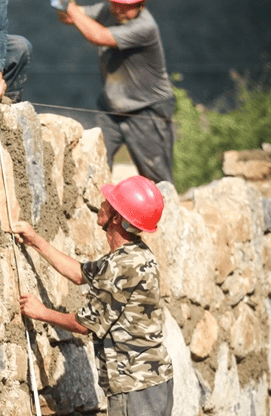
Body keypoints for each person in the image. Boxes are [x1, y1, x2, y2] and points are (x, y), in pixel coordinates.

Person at [13, 175, 174, 416]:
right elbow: (80, 274)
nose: (102, 203)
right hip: (153, 383)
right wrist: (36, 242)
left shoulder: (120, 266)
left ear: (117, 218)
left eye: (110, 203)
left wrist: (41, 312)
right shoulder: (135, 254)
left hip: (134, 388)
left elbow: (84, 325)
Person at [49, 0, 175, 183]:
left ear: (141, 3)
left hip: (147, 111)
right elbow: (69, 17)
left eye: (126, 6)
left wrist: (67, 5)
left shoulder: (145, 27)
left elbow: (98, 35)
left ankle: (162, 216)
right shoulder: (107, 11)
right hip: (110, 109)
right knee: (92, 168)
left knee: (157, 181)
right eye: (115, 3)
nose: (118, 10)